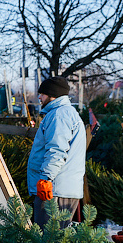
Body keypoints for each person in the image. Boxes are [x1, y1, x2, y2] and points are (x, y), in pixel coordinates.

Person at [27, 75, 86, 227]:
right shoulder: (64, 113)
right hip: (60, 188)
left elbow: (57, 151)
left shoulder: (59, 115)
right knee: (55, 241)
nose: (39, 97)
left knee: (48, 242)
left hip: (55, 190)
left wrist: (46, 178)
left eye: (42, 93)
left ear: (53, 95)